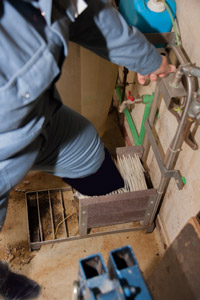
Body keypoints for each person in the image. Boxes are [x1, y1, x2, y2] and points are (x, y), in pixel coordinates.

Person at [0, 0, 176, 232]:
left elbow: (83, 13)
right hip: (6, 151)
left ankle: (108, 198)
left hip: (33, 115)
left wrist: (149, 61)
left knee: (88, 149)